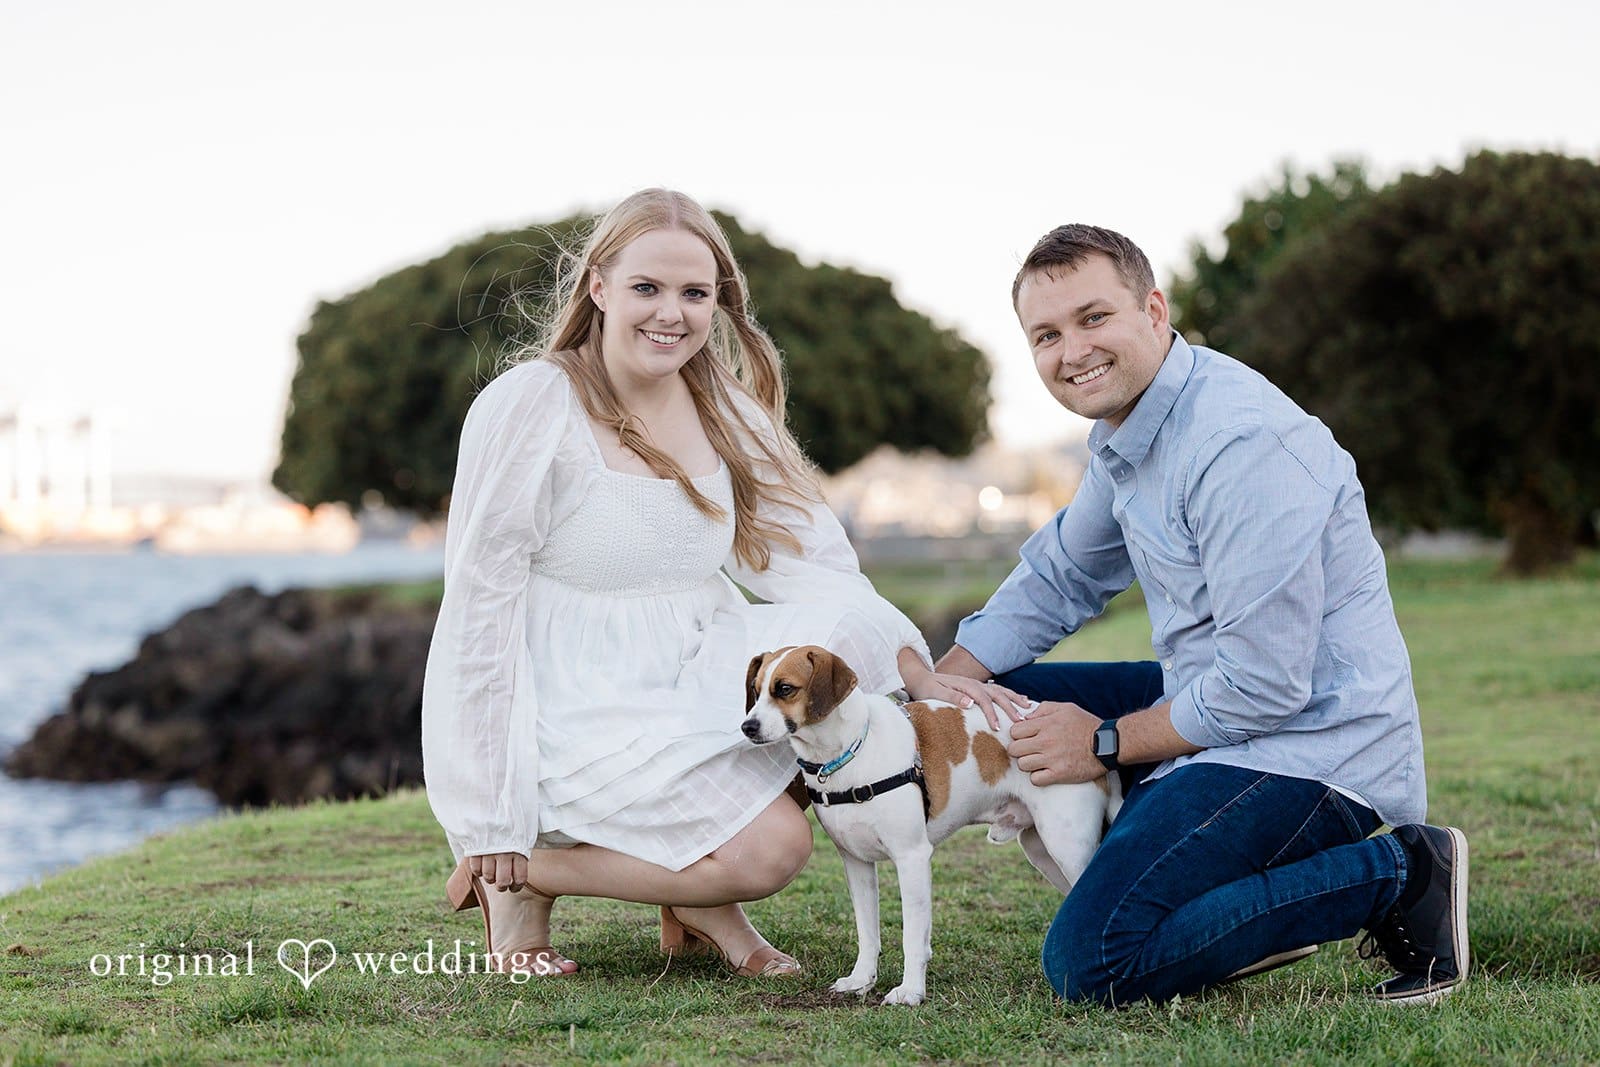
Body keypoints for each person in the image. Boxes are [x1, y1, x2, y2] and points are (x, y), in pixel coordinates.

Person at [900, 224, 1468, 1007]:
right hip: (1212, 697)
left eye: (1094, 318)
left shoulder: (1242, 446)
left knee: (1095, 958)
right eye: (1047, 335)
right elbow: (1063, 572)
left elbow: (1266, 688)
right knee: (1004, 688)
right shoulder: (1128, 431)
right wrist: (943, 684)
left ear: (1154, 311)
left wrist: (1100, 741)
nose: (1073, 352)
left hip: (1309, 743)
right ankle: (1156, 855)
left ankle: (1404, 873)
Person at [420, 188, 952, 978]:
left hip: (694, 673)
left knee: (834, 701)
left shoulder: (722, 406)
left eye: (695, 293)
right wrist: (488, 809)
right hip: (575, 700)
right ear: (597, 287)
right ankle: (520, 872)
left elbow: (811, 559)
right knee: (776, 848)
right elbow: (480, 605)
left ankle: (697, 901)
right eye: (647, 288)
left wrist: (914, 668)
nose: (671, 313)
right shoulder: (533, 403)